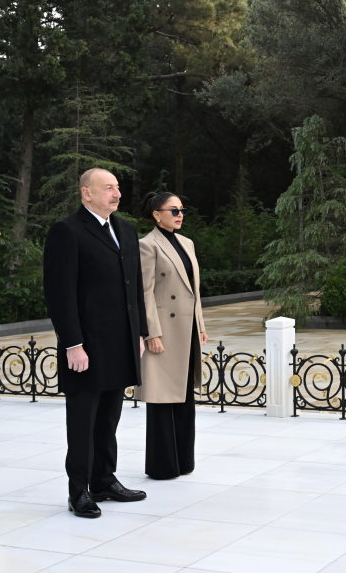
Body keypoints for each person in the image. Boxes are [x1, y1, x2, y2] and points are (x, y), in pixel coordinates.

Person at [43, 168, 148, 519]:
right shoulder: (67, 232)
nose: (116, 194)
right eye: (108, 188)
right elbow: (60, 295)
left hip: (120, 342)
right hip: (86, 345)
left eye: (117, 188)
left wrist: (141, 332)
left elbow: (134, 288)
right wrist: (73, 343)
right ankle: (79, 492)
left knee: (109, 419)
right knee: (83, 422)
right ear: (86, 193)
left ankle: (105, 479)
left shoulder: (126, 230)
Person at [138, 192, 207, 480]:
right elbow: (144, 292)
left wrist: (200, 324)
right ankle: (162, 466)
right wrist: (151, 331)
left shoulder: (186, 243)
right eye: (174, 210)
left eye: (183, 210)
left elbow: (194, 290)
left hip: (186, 329)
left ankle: (184, 461)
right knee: (162, 397)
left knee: (184, 395)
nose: (180, 215)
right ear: (157, 214)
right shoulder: (147, 245)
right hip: (164, 331)